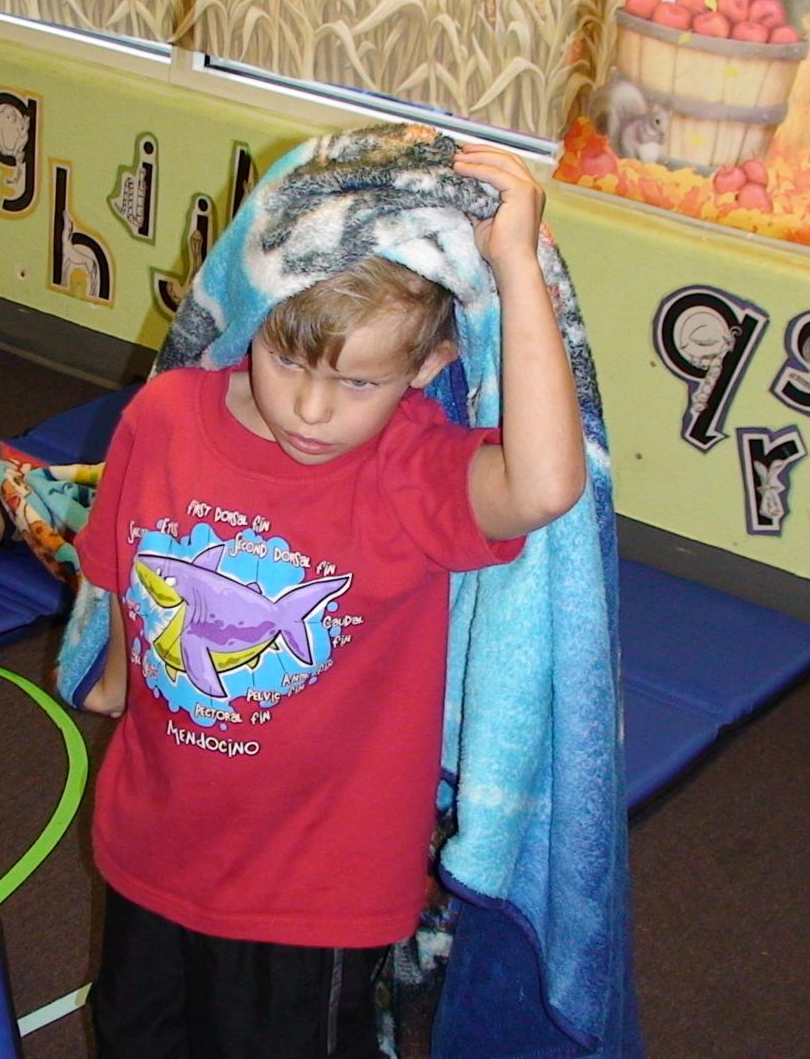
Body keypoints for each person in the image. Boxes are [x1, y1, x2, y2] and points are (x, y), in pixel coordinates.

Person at [71, 143, 586, 1058]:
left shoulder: (411, 474)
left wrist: (515, 265)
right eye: (287, 360)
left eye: (358, 381)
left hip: (313, 889)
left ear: (427, 365)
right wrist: (117, 672)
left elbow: (545, 487)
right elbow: (126, 557)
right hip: (155, 843)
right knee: (134, 1037)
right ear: (253, 318)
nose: (311, 410)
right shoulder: (165, 417)